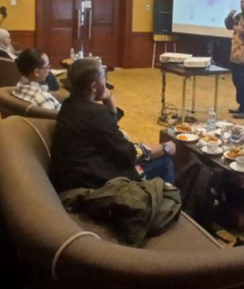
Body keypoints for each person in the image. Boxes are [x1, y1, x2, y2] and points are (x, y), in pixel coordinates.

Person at [51, 59, 176, 193]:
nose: (105, 81)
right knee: (165, 160)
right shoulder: (96, 114)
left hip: (77, 175)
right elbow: (129, 154)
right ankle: (169, 201)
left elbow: (110, 126)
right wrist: (165, 148)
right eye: (103, 77)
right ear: (94, 86)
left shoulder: (68, 105)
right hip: (96, 183)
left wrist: (108, 98)